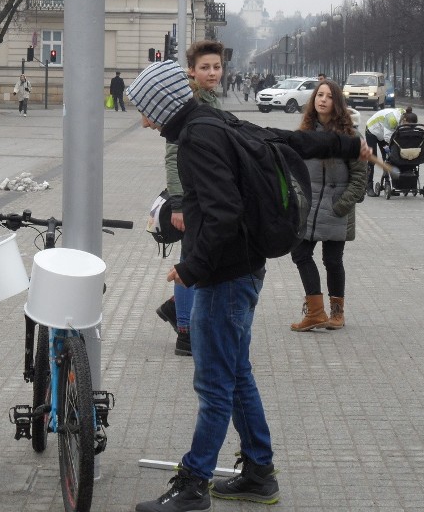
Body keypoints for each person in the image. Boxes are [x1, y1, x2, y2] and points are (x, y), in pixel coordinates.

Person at [127, 60, 371, 512]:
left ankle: (194, 483)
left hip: (225, 275)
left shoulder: (196, 140)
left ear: (160, 105)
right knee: (236, 374)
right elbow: (288, 140)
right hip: (243, 268)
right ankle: (259, 473)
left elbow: (223, 212)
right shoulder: (214, 121)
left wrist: (192, 268)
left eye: (143, 109)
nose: (142, 120)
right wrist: (348, 143)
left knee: (214, 383)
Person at [156, 40, 223, 356]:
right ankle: (185, 331)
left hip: (208, 196)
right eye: (205, 67)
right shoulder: (190, 101)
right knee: (190, 261)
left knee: (201, 260)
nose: (212, 73)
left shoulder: (211, 99)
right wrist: (179, 203)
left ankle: (177, 311)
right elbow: (173, 155)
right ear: (192, 71)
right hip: (192, 199)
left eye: (217, 66)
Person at [289, 80, 367, 332]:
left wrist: (341, 205)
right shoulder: (304, 133)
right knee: (300, 254)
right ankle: (315, 312)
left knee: (332, 261)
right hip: (308, 206)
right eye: (319, 95)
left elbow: (360, 179)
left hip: (336, 207)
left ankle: (337, 312)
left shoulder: (351, 136)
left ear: (337, 102)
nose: (322, 100)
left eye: (329, 96)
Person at [363, 106, 411, 196]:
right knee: (373, 158)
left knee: (389, 158)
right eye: (406, 125)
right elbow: (388, 138)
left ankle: (388, 185)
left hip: (383, 130)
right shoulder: (393, 120)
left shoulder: (405, 114)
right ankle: (368, 186)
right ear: (404, 119)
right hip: (372, 130)